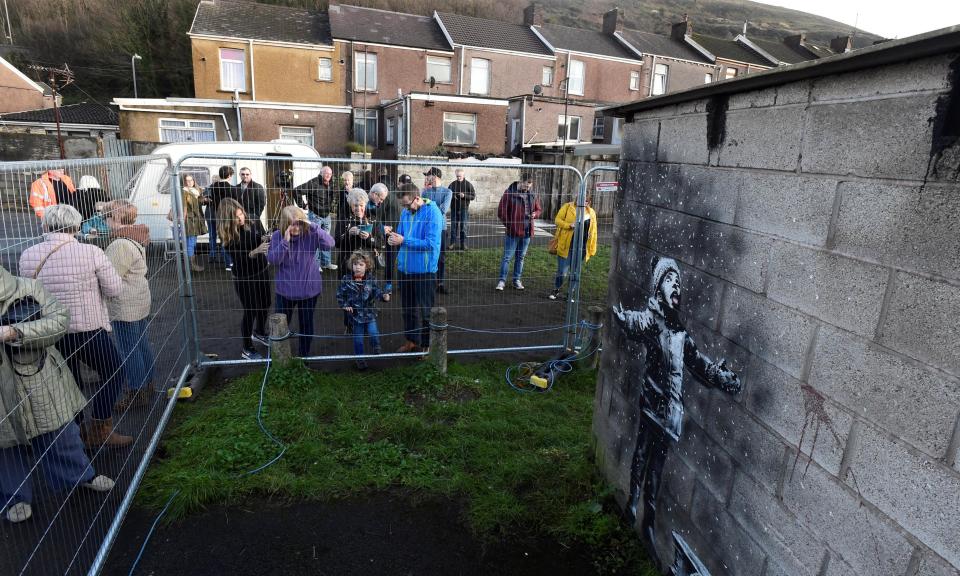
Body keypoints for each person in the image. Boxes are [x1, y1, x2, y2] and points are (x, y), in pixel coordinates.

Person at [611, 257, 741, 561]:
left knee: (656, 467)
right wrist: (624, 317)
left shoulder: (681, 335)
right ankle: (632, 503)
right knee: (642, 452)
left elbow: (699, 363)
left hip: (671, 414)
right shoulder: (652, 321)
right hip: (651, 402)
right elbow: (638, 321)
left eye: (678, 283)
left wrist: (720, 376)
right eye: (670, 281)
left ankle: (649, 520)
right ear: (658, 289)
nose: (676, 287)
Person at [0, 264, 116, 524]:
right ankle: (14, 497)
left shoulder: (27, 287)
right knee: (4, 448)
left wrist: (16, 332)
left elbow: (59, 320)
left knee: (60, 434)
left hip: (38, 379)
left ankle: (80, 475)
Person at [18, 204, 132, 448]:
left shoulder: (28, 254)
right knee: (114, 371)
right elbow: (114, 289)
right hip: (87, 328)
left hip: (49, 331)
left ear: (46, 226)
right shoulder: (91, 252)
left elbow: (26, 296)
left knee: (69, 382)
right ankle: (100, 428)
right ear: (78, 226)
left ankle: (77, 433)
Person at [104, 200, 155, 412]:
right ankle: (148, 385)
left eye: (106, 216)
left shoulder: (119, 244)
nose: (105, 221)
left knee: (129, 350)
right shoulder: (133, 236)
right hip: (138, 299)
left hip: (126, 305)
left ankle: (136, 392)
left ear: (115, 218)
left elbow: (109, 277)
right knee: (140, 344)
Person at [267, 205, 335, 358]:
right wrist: (285, 242)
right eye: (291, 224)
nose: (296, 227)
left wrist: (315, 226)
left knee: (306, 324)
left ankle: (303, 357)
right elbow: (273, 260)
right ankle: (280, 357)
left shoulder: (311, 233)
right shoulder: (278, 236)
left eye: (298, 223)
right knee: (281, 325)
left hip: (308, 290)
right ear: (285, 224)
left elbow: (330, 244)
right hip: (285, 291)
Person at [388, 183, 442, 353]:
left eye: (406, 204)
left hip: (424, 272)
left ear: (417, 198)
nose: (404, 208)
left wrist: (403, 241)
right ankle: (412, 340)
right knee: (408, 309)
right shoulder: (405, 211)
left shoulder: (433, 213)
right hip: (405, 270)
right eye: (402, 205)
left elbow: (431, 244)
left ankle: (426, 347)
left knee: (426, 312)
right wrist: (392, 237)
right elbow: (401, 234)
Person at [218, 198, 272, 360]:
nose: (241, 218)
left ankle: (260, 332)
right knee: (251, 310)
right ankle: (247, 348)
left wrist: (265, 238)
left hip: (261, 270)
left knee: (265, 304)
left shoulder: (253, 221)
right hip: (244, 277)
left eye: (241, 213)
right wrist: (255, 251)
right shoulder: (227, 234)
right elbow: (238, 258)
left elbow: (260, 237)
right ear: (228, 219)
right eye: (236, 216)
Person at [336, 251, 390, 370]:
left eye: (361, 264)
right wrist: (345, 305)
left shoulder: (371, 279)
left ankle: (376, 346)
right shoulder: (346, 279)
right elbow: (340, 295)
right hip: (355, 316)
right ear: (351, 265)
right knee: (358, 340)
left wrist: (384, 297)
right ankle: (360, 360)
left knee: (373, 333)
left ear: (367, 266)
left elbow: (377, 292)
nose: (358, 267)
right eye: (355, 264)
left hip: (369, 314)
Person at [495, 173, 542, 291]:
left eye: (529, 186)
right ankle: (502, 281)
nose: (527, 188)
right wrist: (510, 226)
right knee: (507, 257)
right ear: (520, 182)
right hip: (513, 232)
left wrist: (535, 214)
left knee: (520, 257)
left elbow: (538, 209)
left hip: (526, 232)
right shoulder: (509, 193)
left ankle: (516, 280)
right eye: (526, 186)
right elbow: (501, 212)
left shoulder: (532, 194)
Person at [550, 196, 598, 300]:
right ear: (577, 198)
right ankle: (556, 289)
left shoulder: (591, 212)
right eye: (581, 199)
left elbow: (594, 231)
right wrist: (568, 225)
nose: (583, 202)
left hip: (581, 247)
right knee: (562, 271)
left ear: (589, 202)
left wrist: (592, 246)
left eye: (586, 201)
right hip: (566, 245)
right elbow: (557, 220)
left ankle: (570, 293)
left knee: (575, 272)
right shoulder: (567, 207)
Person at [294, 166, 338, 271]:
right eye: (326, 173)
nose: (328, 175)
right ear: (321, 173)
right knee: (315, 239)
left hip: (327, 216)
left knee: (325, 239)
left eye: (330, 174)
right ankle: (315, 265)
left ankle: (326, 263)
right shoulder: (313, 183)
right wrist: (303, 205)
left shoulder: (331, 184)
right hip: (315, 216)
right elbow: (297, 190)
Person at [167, 173, 208, 273]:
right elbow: (184, 207)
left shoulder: (195, 191)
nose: (190, 182)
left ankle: (190, 265)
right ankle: (192, 265)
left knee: (192, 243)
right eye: (187, 180)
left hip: (195, 220)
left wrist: (203, 199)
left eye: (191, 180)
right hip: (189, 221)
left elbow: (197, 202)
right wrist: (182, 221)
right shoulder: (184, 191)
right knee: (190, 243)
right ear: (183, 182)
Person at [421, 167, 451, 294]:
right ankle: (429, 281)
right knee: (427, 253)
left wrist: (430, 207)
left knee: (441, 256)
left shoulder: (447, 192)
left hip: (441, 228)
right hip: (427, 228)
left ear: (436, 177)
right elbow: (422, 209)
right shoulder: (425, 192)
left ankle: (440, 282)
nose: (427, 178)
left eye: (429, 175)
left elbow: (443, 209)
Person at [367, 183, 401, 293]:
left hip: (391, 229)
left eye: (382, 200)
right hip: (371, 234)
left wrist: (383, 230)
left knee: (391, 255)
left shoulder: (389, 200)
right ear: (374, 194)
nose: (381, 202)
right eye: (380, 199)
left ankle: (389, 283)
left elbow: (386, 222)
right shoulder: (365, 200)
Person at [336, 188, 379, 273]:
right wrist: (348, 234)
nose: (358, 208)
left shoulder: (373, 219)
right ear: (350, 205)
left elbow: (380, 243)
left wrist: (369, 238)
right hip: (348, 264)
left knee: (366, 286)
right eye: (355, 205)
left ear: (365, 204)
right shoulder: (344, 219)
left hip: (367, 264)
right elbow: (337, 242)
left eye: (361, 205)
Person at [204, 166, 237, 271]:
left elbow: (211, 200)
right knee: (228, 239)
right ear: (229, 175)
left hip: (217, 214)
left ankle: (227, 262)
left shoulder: (213, 187)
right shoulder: (232, 188)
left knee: (221, 238)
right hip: (228, 216)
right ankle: (229, 263)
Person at [448, 168, 476, 251]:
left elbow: (473, 196)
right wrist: (454, 196)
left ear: (463, 175)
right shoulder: (452, 184)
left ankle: (463, 244)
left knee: (463, 227)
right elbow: (448, 195)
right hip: (454, 208)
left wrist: (464, 196)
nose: (458, 178)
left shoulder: (468, 184)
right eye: (457, 176)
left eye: (460, 176)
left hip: (464, 209)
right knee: (453, 227)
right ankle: (452, 243)